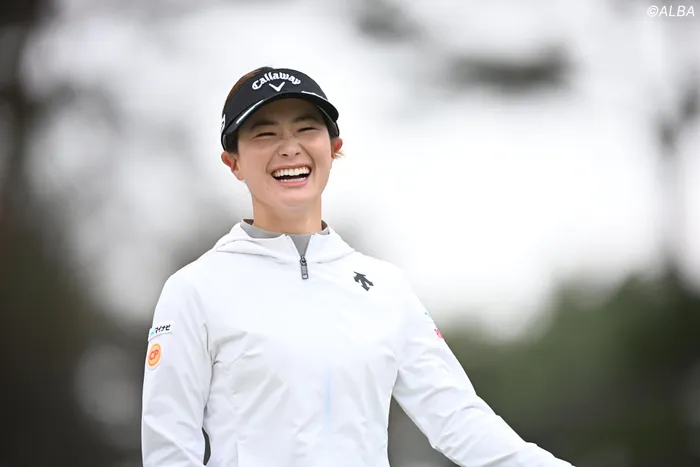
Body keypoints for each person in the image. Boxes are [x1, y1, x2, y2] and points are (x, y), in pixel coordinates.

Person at [141, 66, 574, 467]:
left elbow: (457, 418)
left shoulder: (386, 287)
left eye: (306, 129)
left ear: (334, 148)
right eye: (265, 133)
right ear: (233, 162)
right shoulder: (195, 289)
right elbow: (169, 450)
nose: (289, 147)